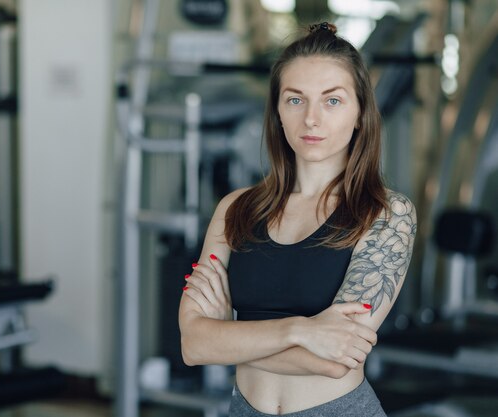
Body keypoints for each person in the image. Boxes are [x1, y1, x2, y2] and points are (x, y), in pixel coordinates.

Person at [178, 22, 417, 416]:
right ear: (277, 111)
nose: (311, 119)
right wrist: (302, 330)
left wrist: (226, 336)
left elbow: (336, 358)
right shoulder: (235, 209)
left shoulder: (386, 214)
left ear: (360, 113)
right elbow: (192, 346)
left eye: (332, 101)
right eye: (295, 100)